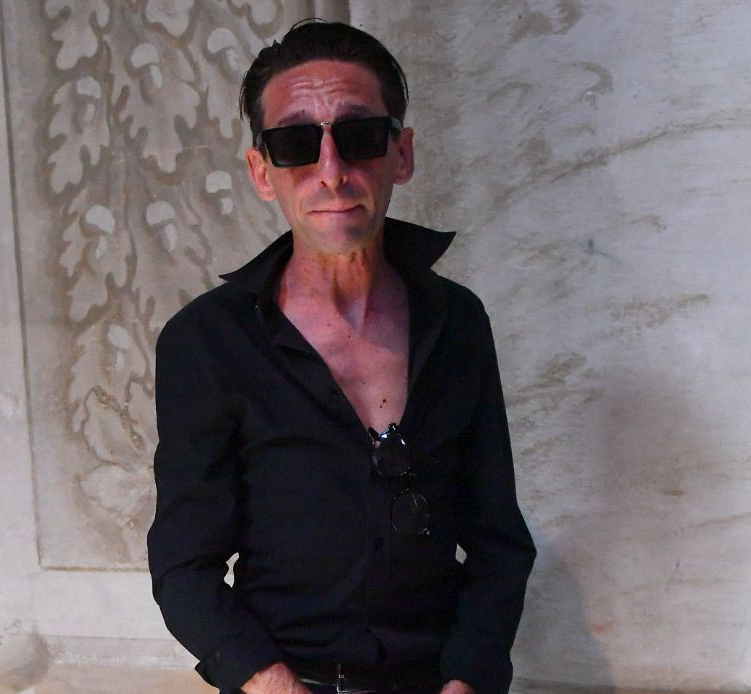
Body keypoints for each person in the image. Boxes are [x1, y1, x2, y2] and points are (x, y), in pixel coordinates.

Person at [148, 20, 535, 694]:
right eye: (296, 143)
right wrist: (272, 685)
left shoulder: (458, 321)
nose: (331, 171)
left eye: (358, 136)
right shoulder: (206, 341)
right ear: (262, 172)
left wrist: (468, 680)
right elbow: (184, 566)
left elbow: (499, 541)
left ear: (401, 154)